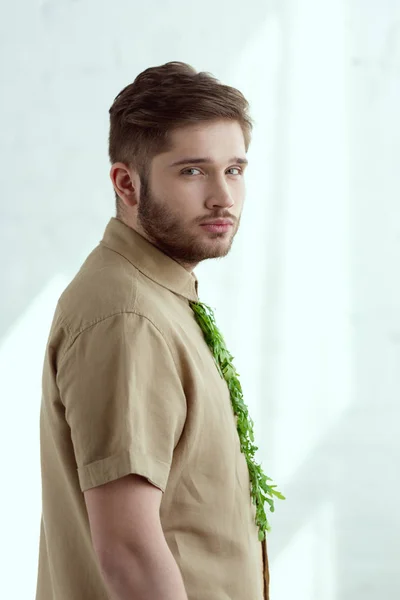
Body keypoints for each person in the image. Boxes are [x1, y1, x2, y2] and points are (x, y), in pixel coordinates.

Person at [35, 61, 270, 600]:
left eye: (234, 169)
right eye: (192, 171)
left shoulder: (155, 295)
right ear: (126, 183)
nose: (223, 198)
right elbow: (129, 551)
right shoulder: (127, 316)